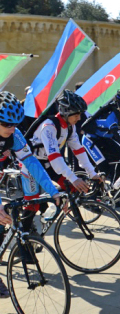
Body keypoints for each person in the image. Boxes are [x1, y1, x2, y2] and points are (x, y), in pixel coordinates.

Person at [0, 91, 63, 298]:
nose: (12, 128)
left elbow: (32, 163)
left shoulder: (15, 135)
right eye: (7, 124)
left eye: (15, 124)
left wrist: (53, 190)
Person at [23, 91, 100, 197]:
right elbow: (55, 157)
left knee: (73, 189)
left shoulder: (70, 126)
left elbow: (78, 149)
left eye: (80, 114)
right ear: (66, 112)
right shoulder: (49, 127)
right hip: (33, 163)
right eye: (76, 115)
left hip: (48, 164)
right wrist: (73, 178)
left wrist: (92, 173)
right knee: (34, 204)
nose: (79, 118)